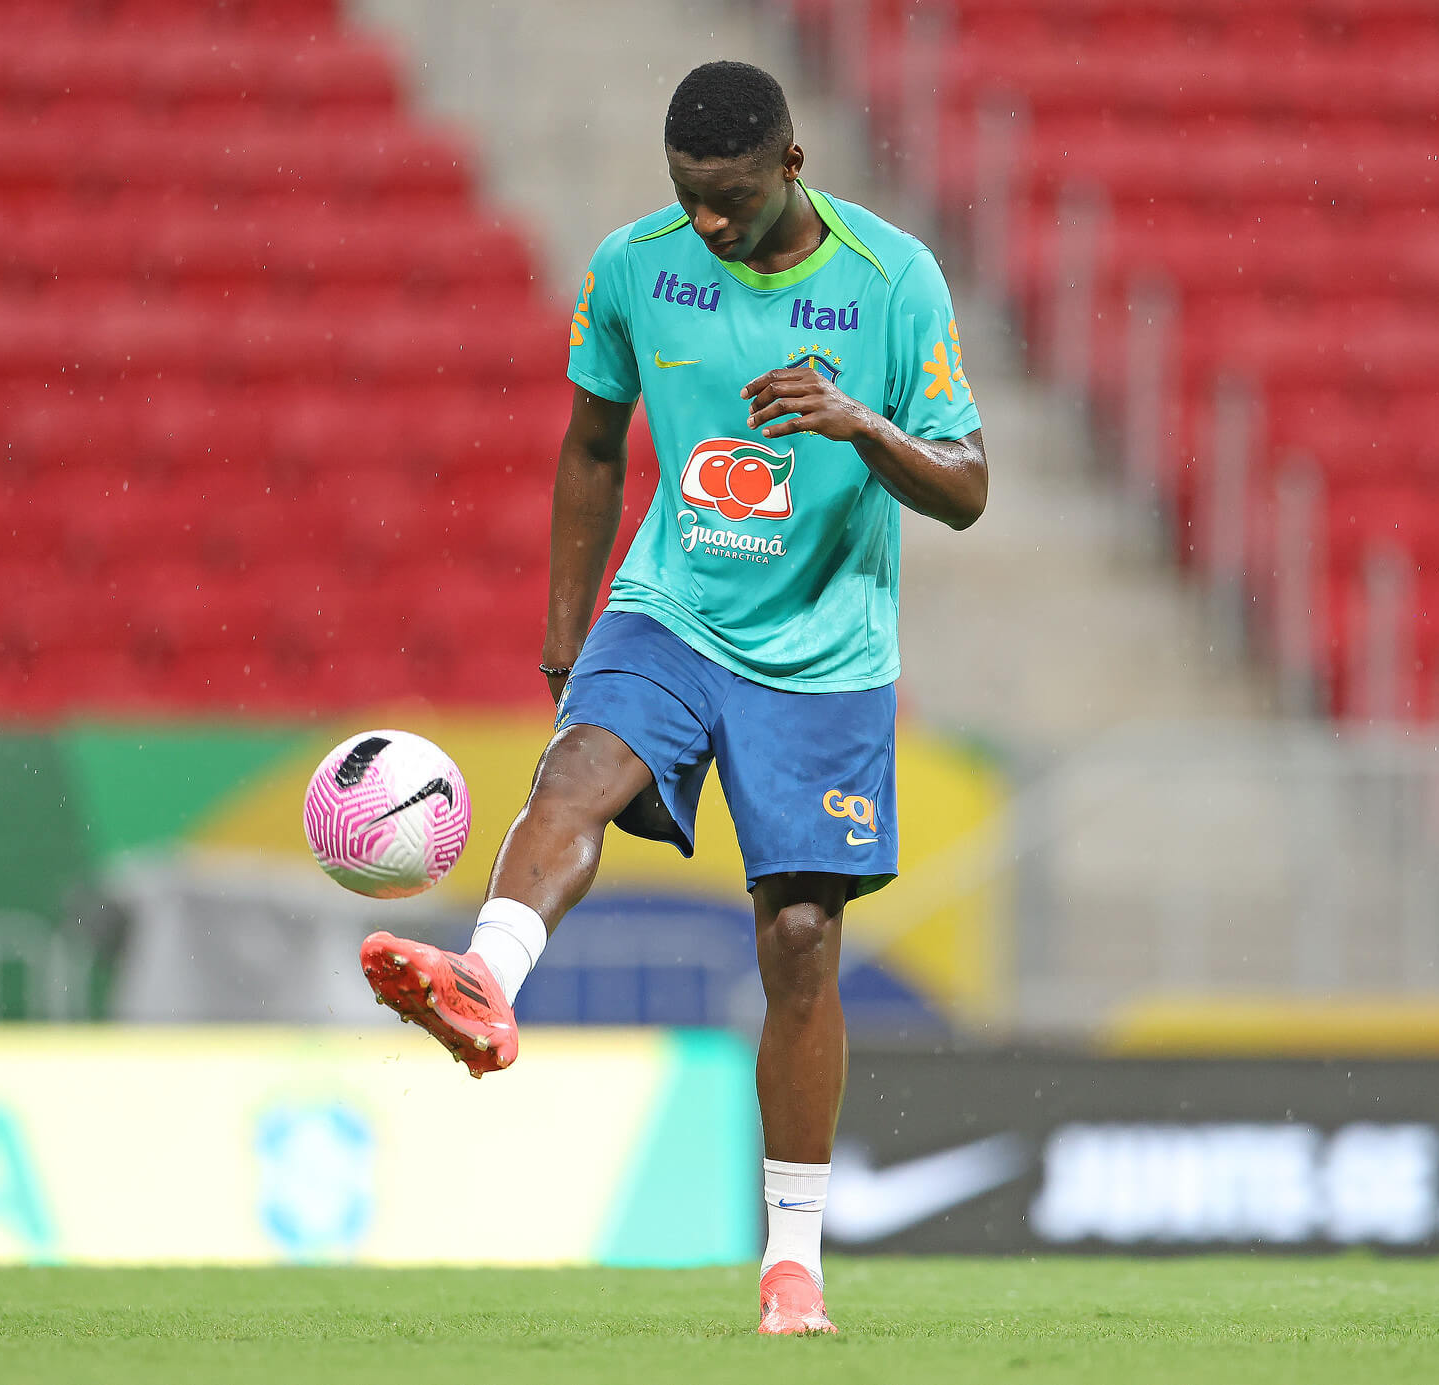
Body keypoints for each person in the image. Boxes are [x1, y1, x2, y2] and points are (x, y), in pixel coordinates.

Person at [360, 58, 985, 1336]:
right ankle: (483, 982)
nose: (706, 220)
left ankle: (791, 1258)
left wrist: (860, 425)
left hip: (825, 652)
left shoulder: (890, 280)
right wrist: (561, 642)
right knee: (574, 770)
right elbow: (593, 446)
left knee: (801, 938)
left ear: (791, 165)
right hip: (673, 605)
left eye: (732, 198)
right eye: (688, 196)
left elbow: (969, 484)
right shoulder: (634, 268)